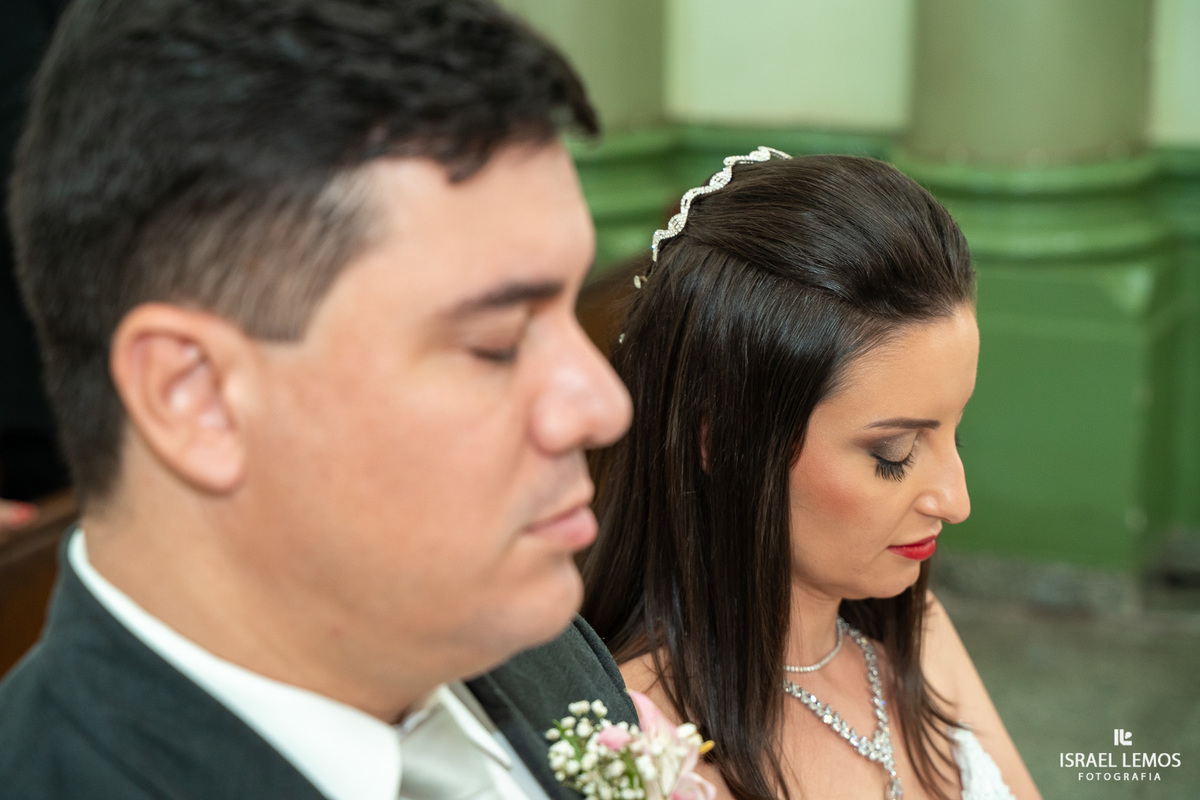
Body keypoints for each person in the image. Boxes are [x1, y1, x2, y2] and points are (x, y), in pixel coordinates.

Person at [0, 0, 635, 798]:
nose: (603, 405)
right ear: (194, 395)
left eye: (570, 313)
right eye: (497, 342)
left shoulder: (520, 635)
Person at [582, 149, 1041, 799]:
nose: (955, 501)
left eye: (955, 432)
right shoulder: (643, 749)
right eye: (896, 453)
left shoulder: (916, 631)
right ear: (723, 442)